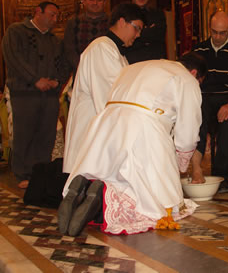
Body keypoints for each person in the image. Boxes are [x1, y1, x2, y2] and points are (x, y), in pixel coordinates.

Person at [58, 53, 207, 237]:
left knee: (114, 172)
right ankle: (103, 194)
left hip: (106, 122)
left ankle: (91, 186)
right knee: (157, 199)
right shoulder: (186, 79)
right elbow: (188, 129)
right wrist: (181, 164)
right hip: (144, 127)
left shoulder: (135, 66)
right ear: (194, 74)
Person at [63, 3, 144, 174]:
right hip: (93, 127)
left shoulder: (116, 52)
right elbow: (110, 96)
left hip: (103, 128)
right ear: (122, 22)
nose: (138, 35)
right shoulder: (101, 48)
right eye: (136, 28)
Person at [2, 1, 71, 189]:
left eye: (57, 16)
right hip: (24, 92)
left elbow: (64, 63)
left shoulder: (55, 40)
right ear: (37, 12)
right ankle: (22, 174)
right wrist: (35, 79)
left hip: (49, 94)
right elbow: (14, 58)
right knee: (25, 133)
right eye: (51, 14)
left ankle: (41, 173)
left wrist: (57, 81)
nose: (55, 19)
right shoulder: (16, 31)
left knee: (46, 134)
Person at [191, 11, 228, 193]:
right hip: (204, 99)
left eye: (222, 33)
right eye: (214, 32)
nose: (217, 37)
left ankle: (221, 176)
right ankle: (196, 169)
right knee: (195, 120)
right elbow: (188, 81)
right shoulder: (199, 51)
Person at [63, 0, 109, 74]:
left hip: (106, 72)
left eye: (99, 0)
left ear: (105, 2)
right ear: (83, 1)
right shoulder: (73, 22)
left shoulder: (112, 22)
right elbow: (69, 50)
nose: (95, 3)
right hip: (80, 71)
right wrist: (83, 68)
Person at [125, 0, 167, 64]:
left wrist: (134, 34)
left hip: (155, 67)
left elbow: (159, 38)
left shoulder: (158, 14)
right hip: (131, 68)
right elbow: (122, 43)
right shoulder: (121, 15)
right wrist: (148, 32)